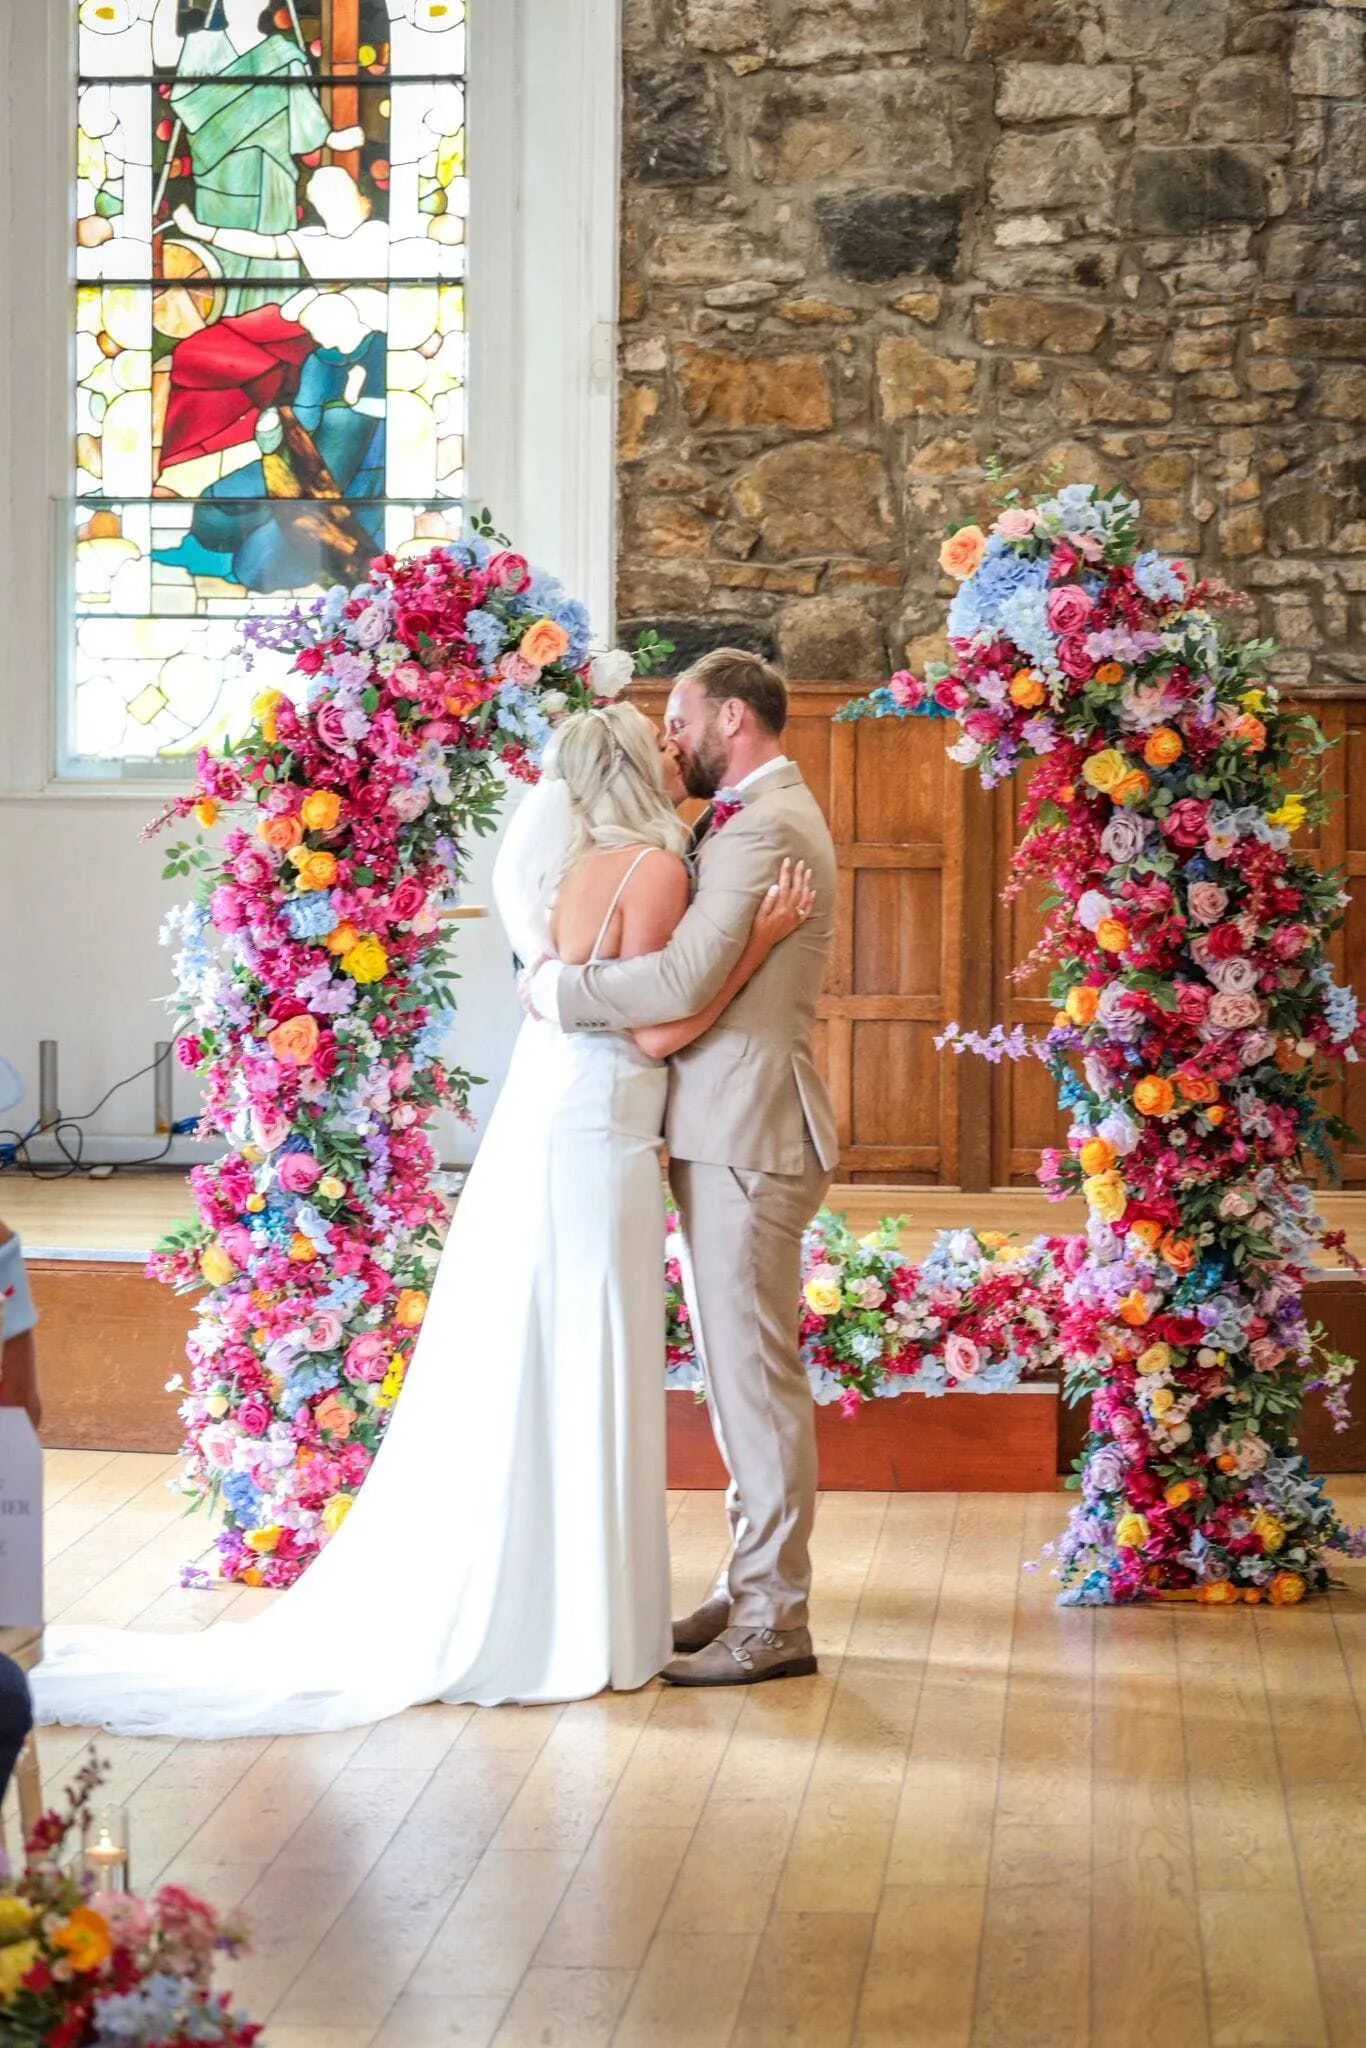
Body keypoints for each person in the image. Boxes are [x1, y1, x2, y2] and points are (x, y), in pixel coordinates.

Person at [32, 703, 813, 1738]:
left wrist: (568, 987)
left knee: (561, 1355)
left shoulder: (579, 870)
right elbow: (663, 1026)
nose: (679, 756)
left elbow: (586, 992)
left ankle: (577, 1605)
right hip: (605, 1137)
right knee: (588, 1356)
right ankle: (585, 1615)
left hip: (571, 1122)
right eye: (664, 746)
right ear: (634, 770)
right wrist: (756, 940)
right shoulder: (656, 869)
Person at [524, 649, 838, 1688]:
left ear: (732, 718)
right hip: (721, 1125)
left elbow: (679, 978)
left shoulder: (767, 825)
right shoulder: (743, 819)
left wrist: (555, 991)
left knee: (753, 1384)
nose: (671, 736)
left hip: (746, 1128)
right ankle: (748, 1585)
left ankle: (773, 1618)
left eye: (681, 717)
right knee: (734, 1380)